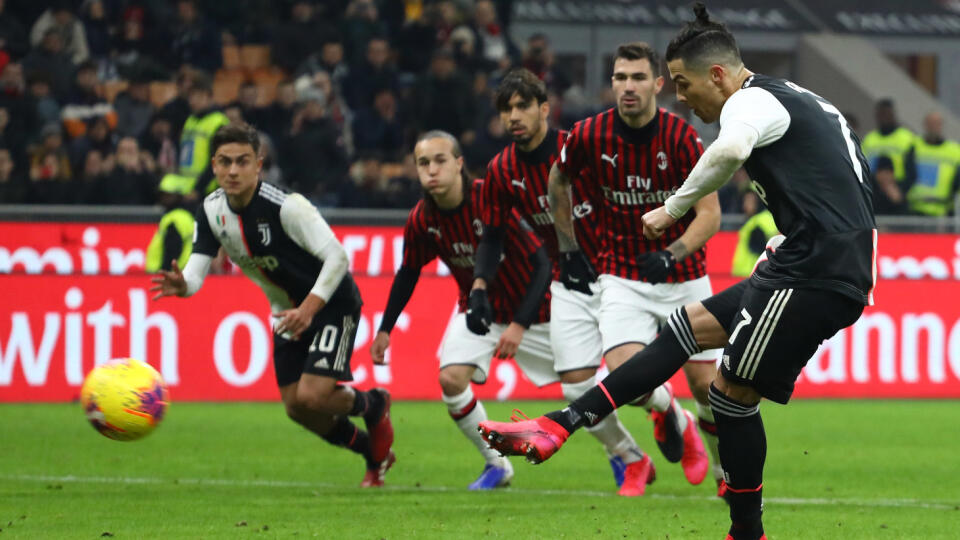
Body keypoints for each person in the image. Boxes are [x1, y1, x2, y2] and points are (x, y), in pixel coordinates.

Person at [479, 5, 876, 540]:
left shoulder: (749, 102)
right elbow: (848, 173)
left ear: (717, 74)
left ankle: (746, 533)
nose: (681, 98)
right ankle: (559, 425)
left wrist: (672, 207)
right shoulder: (797, 99)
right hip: (811, 257)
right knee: (683, 331)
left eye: (685, 85)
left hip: (816, 270)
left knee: (729, 396)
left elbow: (731, 150)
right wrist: (803, 231)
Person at [150, 123, 395, 487]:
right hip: (286, 312)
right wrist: (184, 285)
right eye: (225, 162)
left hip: (331, 304)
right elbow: (197, 272)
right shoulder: (211, 210)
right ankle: (368, 451)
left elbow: (338, 259)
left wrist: (309, 309)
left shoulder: (288, 207)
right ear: (214, 166)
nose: (233, 171)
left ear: (258, 165)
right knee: (297, 408)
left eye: (242, 162)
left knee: (314, 394)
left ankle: (373, 404)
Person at [473, 68, 655, 497]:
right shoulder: (501, 170)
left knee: (632, 378)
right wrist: (480, 284)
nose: (513, 116)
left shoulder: (579, 147)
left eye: (522, 106)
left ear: (544, 109)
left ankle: (673, 417)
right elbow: (493, 236)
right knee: (576, 382)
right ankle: (632, 458)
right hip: (567, 279)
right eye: (506, 109)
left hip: (616, 272)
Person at [549, 42, 721, 491]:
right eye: (621, 77)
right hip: (622, 273)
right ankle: (671, 414)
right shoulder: (588, 135)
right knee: (627, 378)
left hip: (684, 277)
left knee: (708, 387)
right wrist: (568, 248)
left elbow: (710, 215)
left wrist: (672, 253)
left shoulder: (681, 138)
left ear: (658, 84)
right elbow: (558, 178)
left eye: (638, 77)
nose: (629, 86)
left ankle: (725, 472)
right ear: (612, 84)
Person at [369, 130, 552, 490]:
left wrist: (518, 324)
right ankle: (497, 464)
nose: (432, 170)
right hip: (480, 312)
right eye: (423, 163)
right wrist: (385, 328)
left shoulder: (492, 198)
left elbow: (543, 264)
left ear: (459, 164)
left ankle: (639, 440)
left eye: (440, 160)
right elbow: (408, 273)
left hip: (541, 310)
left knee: (587, 387)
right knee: (451, 379)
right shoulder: (423, 218)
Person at [178, 72, 229, 199]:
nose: (192, 101)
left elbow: (218, 160)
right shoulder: (190, 121)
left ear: (208, 96)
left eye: (197, 96)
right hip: (186, 190)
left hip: (209, 192)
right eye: (190, 96)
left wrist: (198, 190)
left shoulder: (218, 122)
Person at [906, 111, 960, 216]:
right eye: (930, 124)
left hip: (942, 210)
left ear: (942, 126)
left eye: (936, 124)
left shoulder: (954, 151)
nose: (933, 127)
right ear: (925, 125)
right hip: (914, 208)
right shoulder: (914, 146)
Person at [860, 98, 914, 202]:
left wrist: (901, 192)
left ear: (893, 115)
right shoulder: (869, 139)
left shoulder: (906, 138)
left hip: (897, 191)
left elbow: (912, 172)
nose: (884, 118)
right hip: (873, 193)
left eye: (887, 114)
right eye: (881, 114)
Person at [145, 173, 195, 273]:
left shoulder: (174, 219)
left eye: (168, 195)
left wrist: (164, 271)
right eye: (162, 195)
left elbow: (172, 251)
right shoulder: (186, 216)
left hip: (168, 276)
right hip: (181, 273)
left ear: (177, 196)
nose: (163, 199)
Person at [730, 191, 777, 277]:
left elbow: (759, 249)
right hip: (757, 273)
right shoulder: (767, 219)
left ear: (758, 202)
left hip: (750, 272)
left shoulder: (756, 223)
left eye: (750, 201)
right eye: (744, 201)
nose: (745, 205)